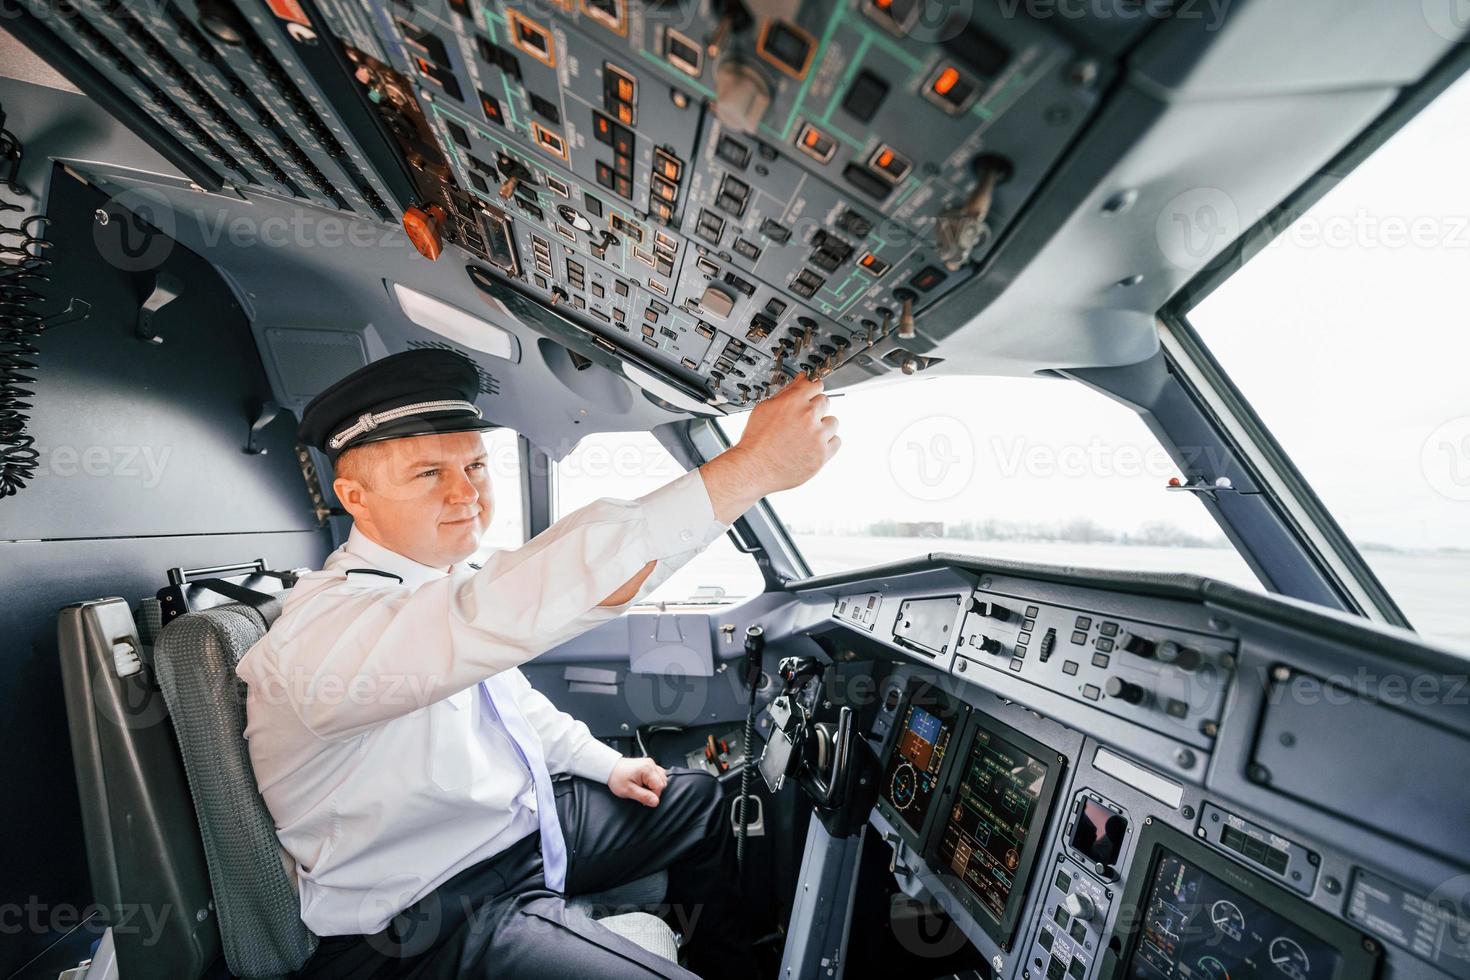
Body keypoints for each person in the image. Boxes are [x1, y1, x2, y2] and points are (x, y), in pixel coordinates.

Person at [235, 348, 840, 979]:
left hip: (520, 832)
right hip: (426, 916)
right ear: (354, 496)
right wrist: (750, 468)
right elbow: (515, 601)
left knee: (695, 800)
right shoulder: (324, 630)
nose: (466, 492)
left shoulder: (443, 587)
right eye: (428, 474)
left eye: (474, 464)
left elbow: (512, 706)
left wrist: (604, 763)